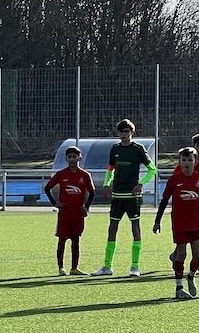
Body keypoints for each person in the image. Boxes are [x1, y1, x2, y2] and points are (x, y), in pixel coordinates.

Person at [90, 119, 155, 277]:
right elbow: (110, 169)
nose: (124, 135)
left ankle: (135, 266)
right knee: (112, 228)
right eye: (121, 132)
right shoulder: (115, 149)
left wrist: (140, 184)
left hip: (132, 196)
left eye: (126, 132)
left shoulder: (138, 149)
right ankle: (107, 266)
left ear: (132, 132)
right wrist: (106, 184)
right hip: (117, 195)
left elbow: (152, 169)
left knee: (135, 228)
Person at [153, 146, 199, 300]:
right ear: (179, 162)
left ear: (195, 161)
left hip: (196, 224)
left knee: (197, 257)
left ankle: (191, 276)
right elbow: (164, 201)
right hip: (179, 224)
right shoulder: (174, 179)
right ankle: (179, 288)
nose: (187, 163)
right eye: (184, 160)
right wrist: (157, 221)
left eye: (190, 160)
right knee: (181, 254)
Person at [43, 145, 95, 275]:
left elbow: (92, 192)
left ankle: (74, 268)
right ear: (66, 158)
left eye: (74, 156)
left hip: (78, 214)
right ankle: (61, 268)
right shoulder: (61, 174)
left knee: (76, 241)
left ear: (79, 158)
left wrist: (86, 207)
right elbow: (47, 188)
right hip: (65, 214)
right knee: (62, 240)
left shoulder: (85, 175)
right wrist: (55, 203)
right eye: (69, 157)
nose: (72, 159)